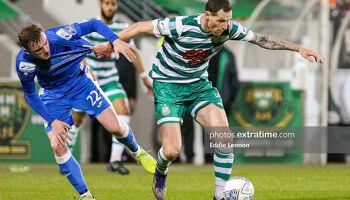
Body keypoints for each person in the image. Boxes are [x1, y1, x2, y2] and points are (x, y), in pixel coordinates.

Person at [97, 0, 323, 199]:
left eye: (228, 21)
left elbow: (262, 39)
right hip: (167, 87)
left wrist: (299, 48)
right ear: (207, 16)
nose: (225, 27)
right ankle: (161, 170)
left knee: (225, 140)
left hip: (198, 86)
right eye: (221, 21)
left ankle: (219, 196)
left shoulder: (229, 29)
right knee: (173, 150)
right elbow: (139, 27)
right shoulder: (182, 25)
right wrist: (110, 44)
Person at [16, 21, 156, 200]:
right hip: (53, 94)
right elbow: (29, 94)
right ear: (28, 51)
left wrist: (115, 40)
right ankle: (86, 196)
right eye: (39, 50)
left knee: (115, 128)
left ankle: (137, 152)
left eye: (45, 43)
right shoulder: (24, 64)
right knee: (57, 146)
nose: (46, 50)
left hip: (80, 83)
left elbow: (94, 24)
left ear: (44, 35)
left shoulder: (59, 35)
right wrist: (52, 121)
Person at [67, 0, 152, 175]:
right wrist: (87, 69)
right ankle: (66, 160)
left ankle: (114, 161)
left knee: (123, 110)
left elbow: (133, 52)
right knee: (76, 119)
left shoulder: (122, 27)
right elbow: (78, 51)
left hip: (109, 80)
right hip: (88, 81)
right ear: (100, 4)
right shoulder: (89, 25)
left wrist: (144, 77)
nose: (110, 7)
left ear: (116, 6)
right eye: (107, 3)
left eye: (113, 4)